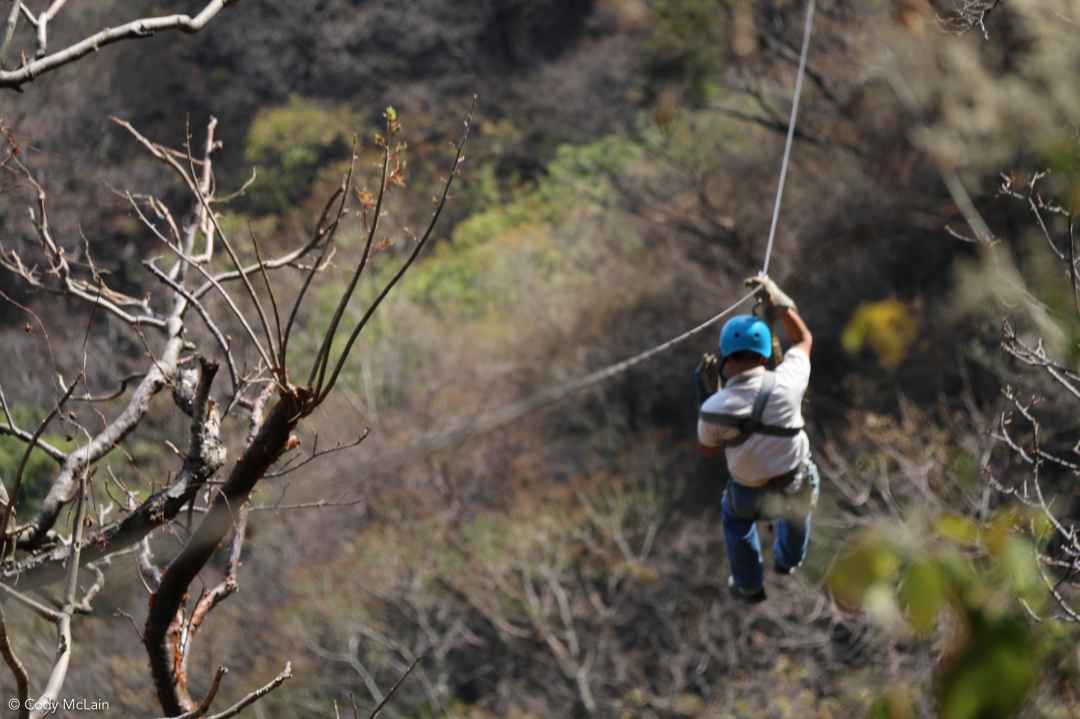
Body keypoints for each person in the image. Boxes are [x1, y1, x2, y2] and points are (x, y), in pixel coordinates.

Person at [695, 275, 819, 604]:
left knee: (735, 519)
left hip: (748, 494)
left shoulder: (713, 409)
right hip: (792, 484)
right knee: (800, 503)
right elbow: (803, 340)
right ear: (765, 357)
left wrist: (709, 399)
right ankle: (789, 559)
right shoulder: (788, 382)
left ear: (724, 359)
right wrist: (780, 305)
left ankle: (749, 584)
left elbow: (707, 451)